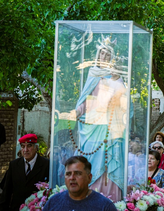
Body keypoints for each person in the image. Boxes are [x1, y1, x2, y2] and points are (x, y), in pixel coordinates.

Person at [74, 36, 126, 201]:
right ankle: (87, 197)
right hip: (91, 125)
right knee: (90, 160)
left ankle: (108, 198)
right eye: (101, 53)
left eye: (107, 54)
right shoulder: (92, 73)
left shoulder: (114, 76)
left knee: (106, 159)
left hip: (108, 125)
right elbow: (85, 99)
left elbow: (123, 102)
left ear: (111, 58)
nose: (103, 57)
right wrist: (78, 111)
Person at [43, 156, 116, 210]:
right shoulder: (53, 202)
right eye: (68, 174)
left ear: (89, 178)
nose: (72, 178)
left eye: (77, 173)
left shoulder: (105, 206)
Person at [0, 134, 49, 211]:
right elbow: (6, 191)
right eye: (23, 146)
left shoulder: (46, 164)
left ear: (36, 147)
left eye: (29, 146)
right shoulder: (14, 165)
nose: (25, 150)